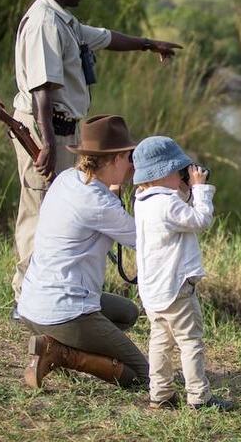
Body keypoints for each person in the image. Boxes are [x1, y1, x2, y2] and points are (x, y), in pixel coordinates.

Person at [10, 0, 183, 313]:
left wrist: (149, 44)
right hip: (47, 130)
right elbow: (42, 91)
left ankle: (53, 296)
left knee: (60, 210)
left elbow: (104, 38)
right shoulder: (44, 22)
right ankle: (28, 300)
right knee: (41, 212)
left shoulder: (63, 21)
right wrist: (47, 146)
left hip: (62, 130)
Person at [18, 115, 149, 390]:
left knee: (126, 313)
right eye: (129, 157)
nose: (132, 165)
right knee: (143, 376)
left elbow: (97, 211)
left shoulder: (68, 179)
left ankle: (53, 344)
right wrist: (155, 196)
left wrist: (115, 191)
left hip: (32, 305)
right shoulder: (100, 204)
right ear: (114, 159)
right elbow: (146, 240)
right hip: (63, 311)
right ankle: (62, 354)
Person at [132, 136, 232, 410]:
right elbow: (201, 220)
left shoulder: (142, 200)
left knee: (160, 342)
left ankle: (160, 394)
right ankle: (200, 397)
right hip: (176, 288)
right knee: (190, 342)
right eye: (180, 171)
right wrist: (199, 190)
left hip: (154, 290)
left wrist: (184, 191)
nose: (184, 175)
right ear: (166, 172)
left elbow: (175, 213)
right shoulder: (168, 204)